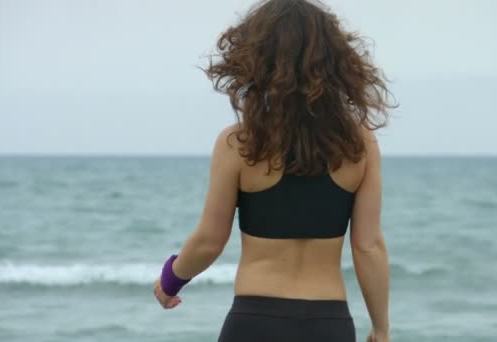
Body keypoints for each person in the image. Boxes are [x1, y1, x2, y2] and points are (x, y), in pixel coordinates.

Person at [153, 0, 394, 341]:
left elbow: (209, 240)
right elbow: (368, 247)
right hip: (328, 324)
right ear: (334, 62)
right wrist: (381, 329)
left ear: (257, 59)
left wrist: (170, 279)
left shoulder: (239, 143)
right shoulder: (360, 144)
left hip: (253, 322)